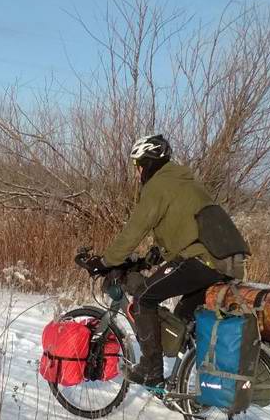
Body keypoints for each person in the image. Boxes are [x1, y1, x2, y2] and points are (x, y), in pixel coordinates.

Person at [85, 134, 250, 386]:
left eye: (138, 165)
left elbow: (135, 229)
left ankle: (151, 371)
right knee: (183, 317)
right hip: (228, 263)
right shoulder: (185, 181)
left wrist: (106, 261)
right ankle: (189, 381)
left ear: (148, 163)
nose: (138, 172)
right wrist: (154, 255)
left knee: (144, 299)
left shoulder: (158, 186)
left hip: (202, 261)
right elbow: (185, 228)